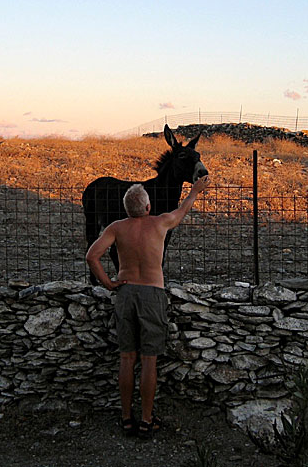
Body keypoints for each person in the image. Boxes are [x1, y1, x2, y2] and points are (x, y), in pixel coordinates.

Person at [85, 175, 210, 438]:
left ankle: (126, 418)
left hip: (126, 292)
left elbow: (91, 256)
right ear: (148, 207)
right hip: (152, 293)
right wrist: (195, 190)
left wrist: (108, 283)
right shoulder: (160, 223)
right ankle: (146, 419)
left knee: (127, 358)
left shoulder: (116, 228)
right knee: (149, 361)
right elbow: (182, 210)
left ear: (126, 208)